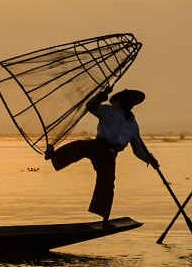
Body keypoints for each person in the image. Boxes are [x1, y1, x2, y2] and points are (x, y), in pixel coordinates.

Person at [45, 88, 159, 221]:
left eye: (131, 102)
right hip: (99, 145)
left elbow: (138, 148)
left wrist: (150, 159)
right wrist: (99, 97)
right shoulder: (109, 111)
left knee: (107, 183)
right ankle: (54, 156)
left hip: (110, 154)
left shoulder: (132, 124)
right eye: (127, 100)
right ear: (120, 101)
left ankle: (104, 217)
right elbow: (91, 107)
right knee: (78, 147)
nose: (129, 103)